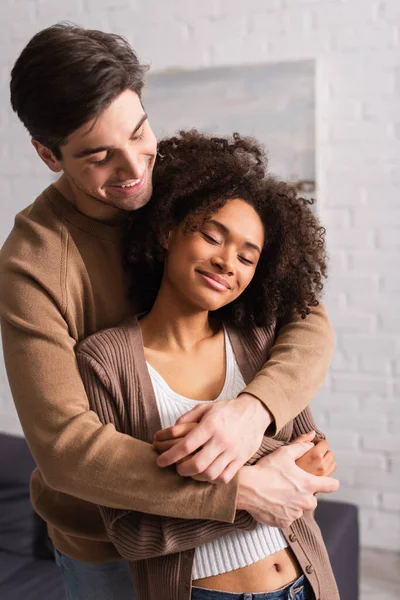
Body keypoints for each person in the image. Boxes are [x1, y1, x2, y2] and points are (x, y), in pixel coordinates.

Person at [0, 23, 335, 600]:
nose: (135, 170)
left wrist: (253, 412)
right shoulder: (33, 263)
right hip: (105, 547)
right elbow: (65, 449)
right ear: (48, 154)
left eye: (139, 132)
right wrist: (240, 490)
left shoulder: (178, 185)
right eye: (100, 156)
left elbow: (306, 318)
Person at [76, 130, 339, 600]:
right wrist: (260, 489)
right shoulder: (106, 362)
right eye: (211, 236)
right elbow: (132, 532)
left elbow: (310, 465)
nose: (226, 263)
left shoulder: (258, 337)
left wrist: (198, 465)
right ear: (167, 230)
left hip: (306, 584)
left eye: (246, 257)